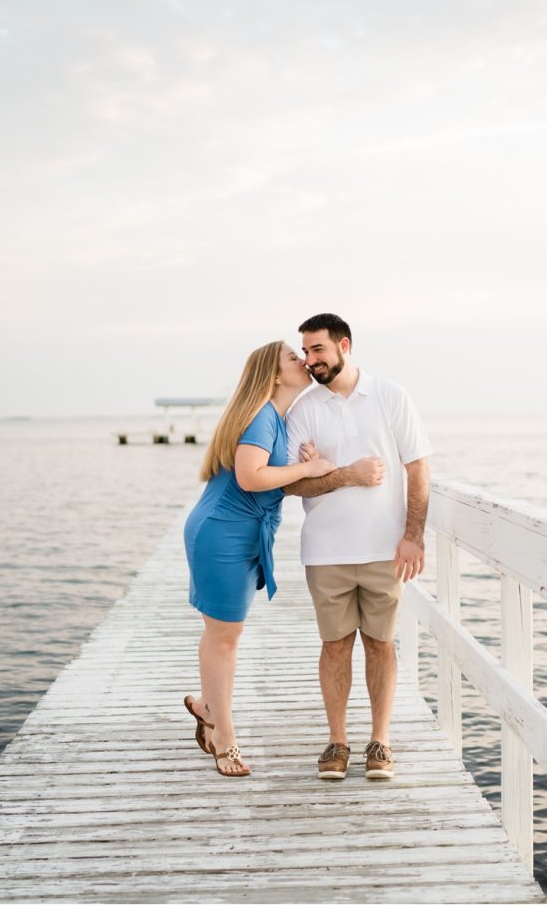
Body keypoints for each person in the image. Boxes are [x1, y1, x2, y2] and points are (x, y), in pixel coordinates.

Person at [284, 313, 432, 781]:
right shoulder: (304, 409)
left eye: (317, 350)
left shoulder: (391, 396)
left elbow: (417, 470)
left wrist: (413, 535)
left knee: (381, 644)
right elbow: (290, 487)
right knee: (334, 647)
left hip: (384, 549)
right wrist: (343, 474)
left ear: (343, 345)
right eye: (304, 352)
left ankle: (380, 742)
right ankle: (337, 741)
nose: (309, 361)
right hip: (325, 551)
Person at [182, 341, 335, 777]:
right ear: (273, 374)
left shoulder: (273, 416)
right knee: (224, 639)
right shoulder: (262, 414)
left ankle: (207, 707)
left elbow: (267, 474)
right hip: (223, 535)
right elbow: (251, 477)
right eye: (294, 357)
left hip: (233, 530)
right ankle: (223, 738)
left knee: (220, 635)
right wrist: (308, 470)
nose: (304, 361)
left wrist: (306, 462)